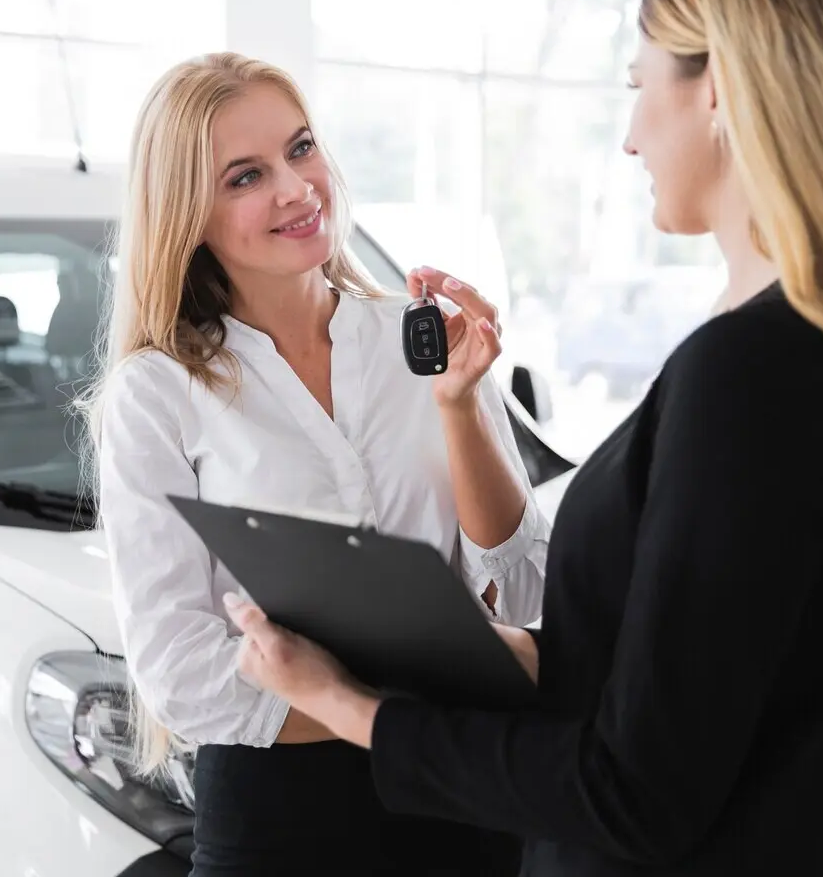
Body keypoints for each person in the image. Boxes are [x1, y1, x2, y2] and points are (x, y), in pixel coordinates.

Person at [224, 0, 823, 875]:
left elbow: (637, 791)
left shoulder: (756, 373)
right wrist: (480, 654)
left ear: (717, 88)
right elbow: (711, 681)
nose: (632, 138)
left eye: (641, 88)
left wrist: (345, 703)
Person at [82, 52, 548, 876]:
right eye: (245, 176)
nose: (296, 189)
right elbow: (180, 676)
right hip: (281, 823)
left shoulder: (422, 338)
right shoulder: (158, 393)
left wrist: (460, 409)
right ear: (186, 212)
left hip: (469, 800)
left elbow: (522, 588)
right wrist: (403, 708)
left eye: (301, 149)